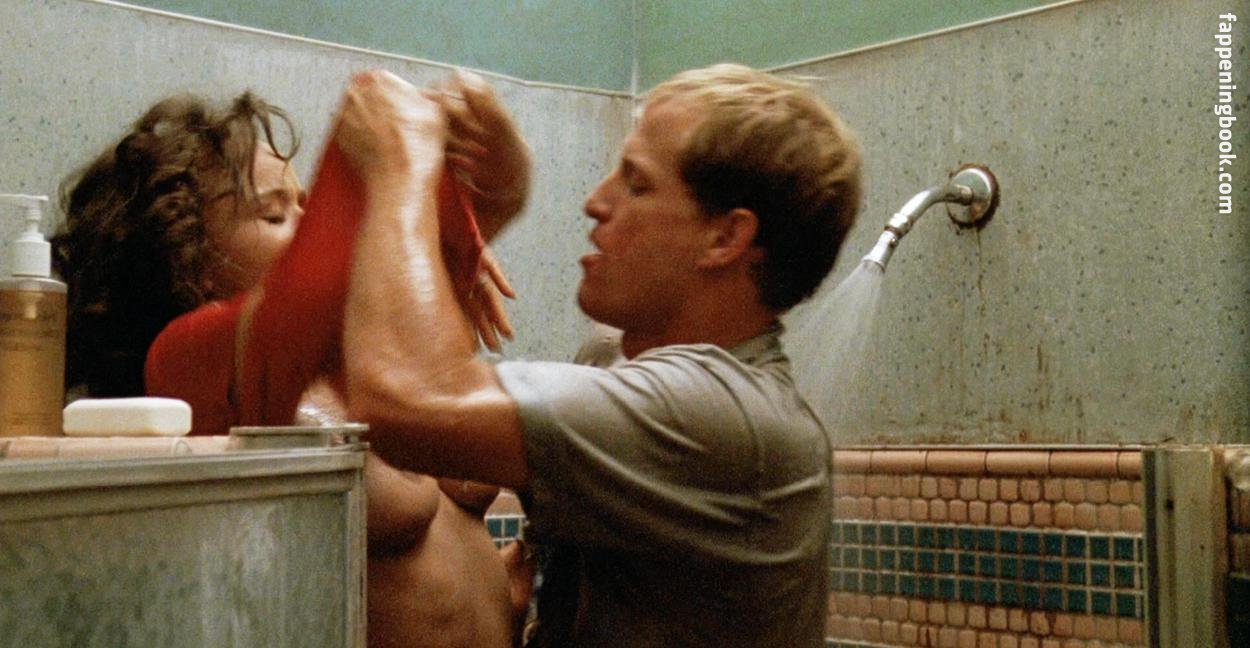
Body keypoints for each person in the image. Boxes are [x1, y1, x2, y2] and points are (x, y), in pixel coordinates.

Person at [335, 63, 863, 647]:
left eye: (636, 184)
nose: (594, 202)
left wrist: (398, 163)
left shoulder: (721, 415)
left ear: (725, 238)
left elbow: (407, 401)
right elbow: (430, 418)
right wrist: (487, 208)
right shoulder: (624, 370)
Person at [53, 88, 532, 648]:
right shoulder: (189, 373)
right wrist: (391, 164)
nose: (310, 226)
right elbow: (309, 281)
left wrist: (486, 198)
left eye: (308, 204)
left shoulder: (370, 359)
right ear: (190, 260)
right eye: (275, 213)